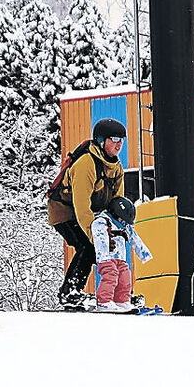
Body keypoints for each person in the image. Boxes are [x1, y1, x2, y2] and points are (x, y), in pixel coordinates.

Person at [47, 118, 126, 309]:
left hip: (92, 212)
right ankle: (70, 292)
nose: (119, 144)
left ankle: (118, 293)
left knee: (102, 245)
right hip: (64, 210)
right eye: (114, 139)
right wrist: (95, 237)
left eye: (122, 140)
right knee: (88, 246)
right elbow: (82, 207)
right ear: (100, 140)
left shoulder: (116, 167)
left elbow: (117, 203)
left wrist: (116, 229)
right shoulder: (86, 164)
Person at [91, 197, 152, 312]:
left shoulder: (123, 226)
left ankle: (121, 301)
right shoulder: (102, 222)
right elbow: (100, 239)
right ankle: (104, 301)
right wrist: (104, 255)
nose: (124, 224)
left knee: (125, 277)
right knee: (110, 275)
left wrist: (144, 254)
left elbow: (134, 238)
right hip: (106, 257)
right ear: (115, 213)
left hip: (120, 258)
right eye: (123, 221)